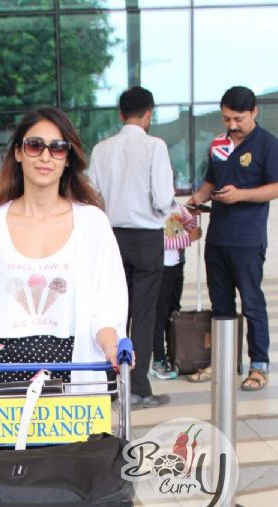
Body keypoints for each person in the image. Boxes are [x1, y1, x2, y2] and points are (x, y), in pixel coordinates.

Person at [0, 107, 128, 389]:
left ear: (68, 159)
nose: (45, 156)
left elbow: (107, 304)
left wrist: (111, 347)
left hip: (73, 370)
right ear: (18, 152)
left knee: (80, 437)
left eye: (58, 148)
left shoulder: (92, 223)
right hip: (1, 371)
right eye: (35, 145)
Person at [187, 85, 278, 391]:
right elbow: (211, 179)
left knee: (252, 302)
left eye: (238, 119)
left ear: (254, 112)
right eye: (226, 118)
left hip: (247, 239)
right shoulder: (219, 144)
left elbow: (277, 188)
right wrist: (198, 197)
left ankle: (259, 365)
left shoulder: (268, 144)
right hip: (217, 238)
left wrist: (241, 195)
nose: (232, 125)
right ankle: (222, 360)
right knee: (221, 305)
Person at [88, 86, 175, 409]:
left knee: (112, 313)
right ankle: (138, 387)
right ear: (149, 114)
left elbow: (92, 196)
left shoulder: (101, 149)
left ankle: (110, 385)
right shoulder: (155, 147)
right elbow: (163, 197)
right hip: (146, 237)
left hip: (110, 238)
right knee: (144, 312)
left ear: (120, 114)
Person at [150, 203, 201, 379]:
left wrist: (193, 216)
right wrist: (188, 239)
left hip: (177, 265)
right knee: (159, 312)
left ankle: (174, 353)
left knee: (174, 311)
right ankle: (158, 358)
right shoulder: (153, 208)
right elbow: (157, 240)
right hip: (161, 267)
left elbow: (190, 226)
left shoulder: (177, 205)